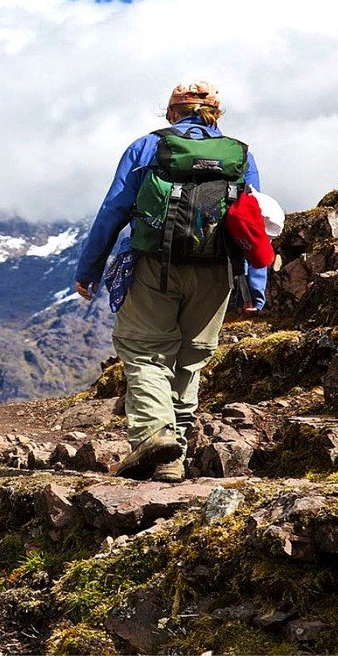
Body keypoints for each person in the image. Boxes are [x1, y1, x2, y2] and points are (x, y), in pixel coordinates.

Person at [74, 81, 262, 482]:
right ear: (217, 112)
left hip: (155, 268)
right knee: (190, 356)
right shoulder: (239, 155)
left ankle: (157, 439)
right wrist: (255, 285)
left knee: (144, 350)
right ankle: (175, 448)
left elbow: (114, 211)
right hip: (216, 273)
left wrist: (88, 269)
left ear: (171, 112)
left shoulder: (146, 148)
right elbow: (253, 222)